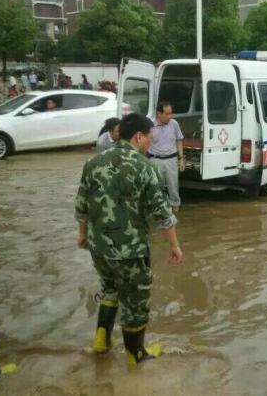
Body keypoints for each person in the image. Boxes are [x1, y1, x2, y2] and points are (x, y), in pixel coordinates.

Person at [75, 113, 184, 365]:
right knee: (136, 302)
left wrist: (82, 234)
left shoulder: (94, 162)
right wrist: (175, 245)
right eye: (149, 138)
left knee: (109, 288)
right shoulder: (145, 167)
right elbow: (162, 213)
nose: (150, 143)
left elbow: (81, 204)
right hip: (130, 251)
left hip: (98, 247)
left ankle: (101, 340)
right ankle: (136, 355)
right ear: (138, 136)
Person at [149, 102, 185, 212]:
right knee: (156, 188)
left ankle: (176, 211)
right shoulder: (150, 125)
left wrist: (181, 158)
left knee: (173, 188)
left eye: (171, 113)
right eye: (167, 114)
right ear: (159, 114)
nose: (170, 117)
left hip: (171, 160)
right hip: (155, 160)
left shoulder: (174, 123)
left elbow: (179, 140)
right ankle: (158, 211)